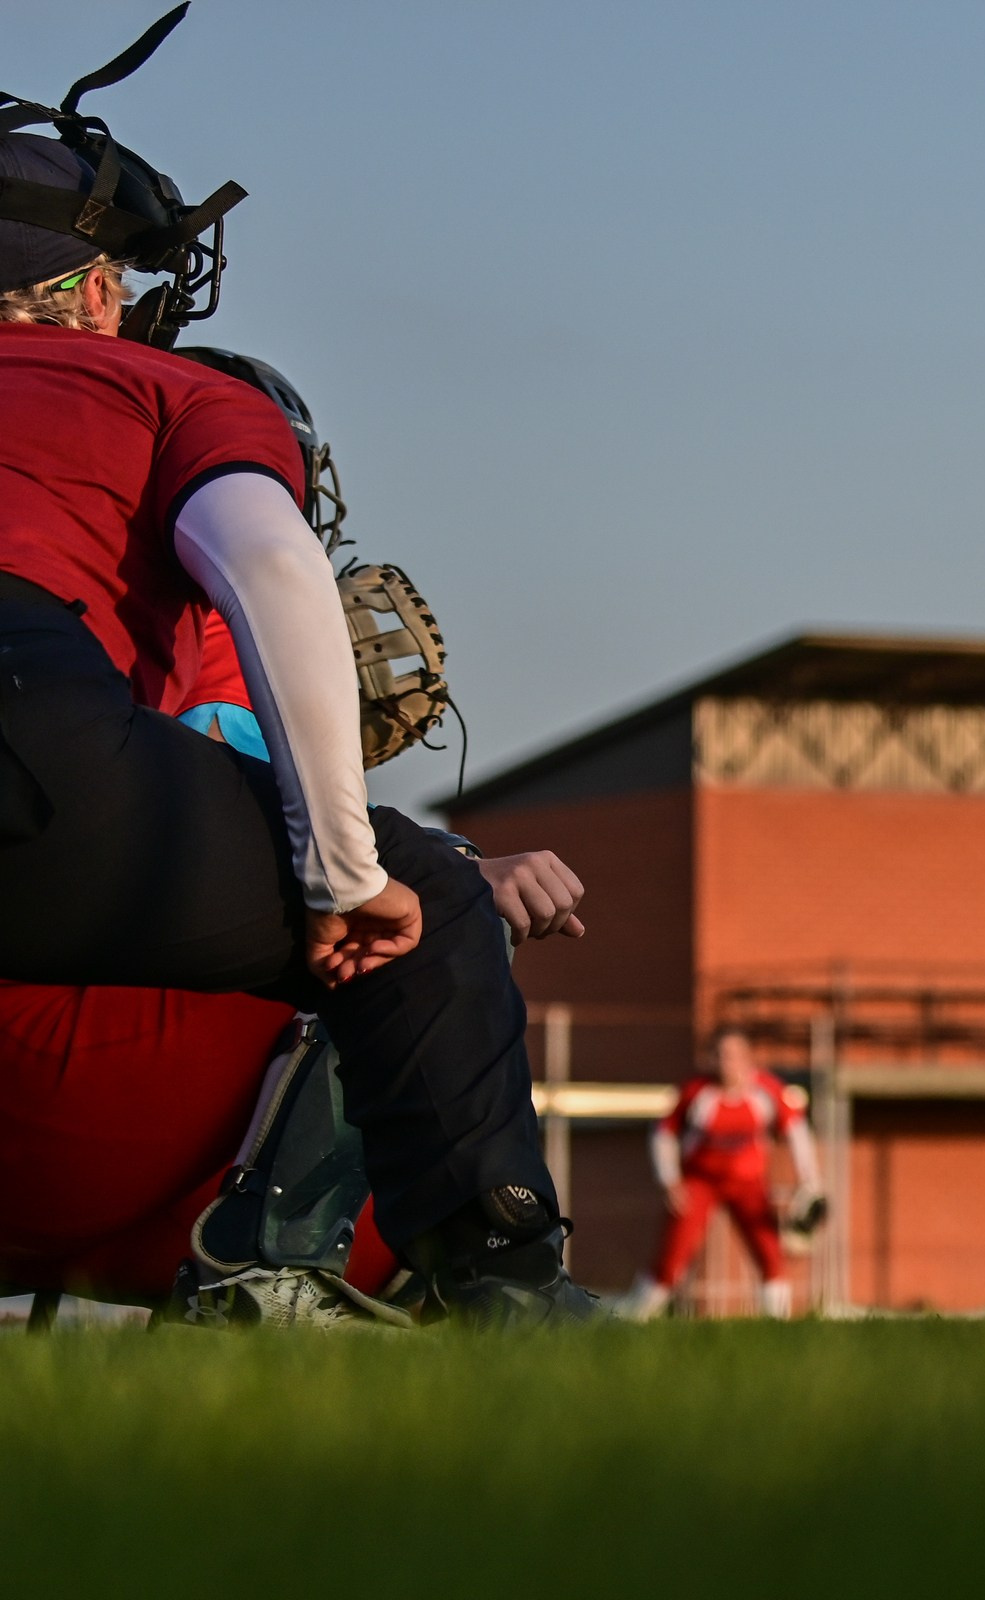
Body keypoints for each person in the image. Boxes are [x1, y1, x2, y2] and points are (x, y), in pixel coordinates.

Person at [0, 88, 593, 1322]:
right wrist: (373, 864)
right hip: (78, 1088)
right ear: (101, 293)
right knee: (397, 909)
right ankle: (428, 1278)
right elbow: (268, 574)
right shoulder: (159, 407)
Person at [619, 1026, 824, 1320]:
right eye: (721, 1055)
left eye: (734, 1055)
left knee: (770, 1252)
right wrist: (669, 1180)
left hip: (748, 1184)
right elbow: (662, 1133)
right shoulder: (696, 1092)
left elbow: (797, 1131)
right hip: (700, 1182)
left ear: (749, 1058)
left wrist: (811, 1182)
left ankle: (779, 1326)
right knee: (672, 1257)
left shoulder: (767, 1090)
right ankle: (630, 1320)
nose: (728, 1062)